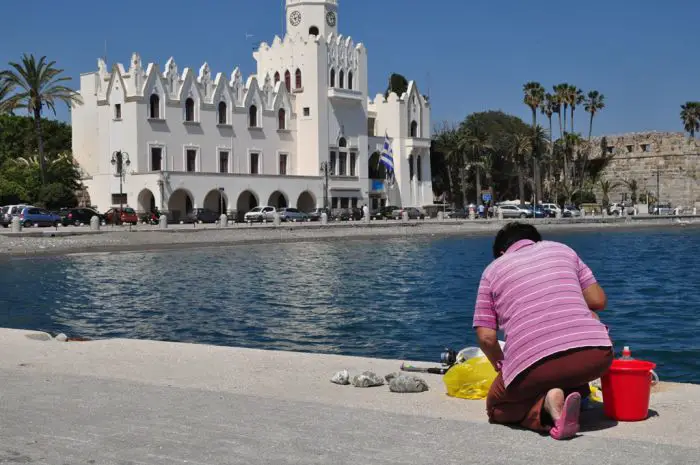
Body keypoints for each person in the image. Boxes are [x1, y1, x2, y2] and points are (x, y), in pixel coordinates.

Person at [472, 222, 612, 440]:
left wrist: (502, 368)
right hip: (597, 356)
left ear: (501, 253)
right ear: (537, 241)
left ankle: (545, 407)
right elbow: (598, 300)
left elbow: (487, 338)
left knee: (496, 407)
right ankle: (571, 394)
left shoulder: (492, 271)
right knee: (590, 315)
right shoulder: (562, 250)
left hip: (536, 366)